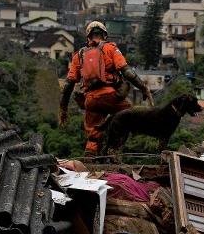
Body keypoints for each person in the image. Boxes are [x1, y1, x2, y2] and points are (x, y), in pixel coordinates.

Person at [59, 21, 154, 156]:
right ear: (104, 35)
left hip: (91, 101)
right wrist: (143, 87)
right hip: (111, 97)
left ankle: (91, 157)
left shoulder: (79, 56)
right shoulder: (110, 48)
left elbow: (68, 84)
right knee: (129, 115)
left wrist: (63, 109)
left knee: (93, 133)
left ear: (88, 37)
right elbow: (127, 72)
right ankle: (113, 150)